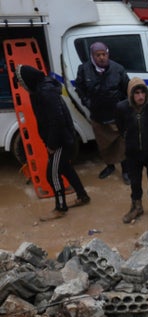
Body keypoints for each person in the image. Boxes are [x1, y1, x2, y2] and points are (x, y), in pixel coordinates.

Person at [15, 65, 91, 222]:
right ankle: (83, 196)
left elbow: (57, 120)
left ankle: (60, 208)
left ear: (28, 81)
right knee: (66, 169)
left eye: (22, 83)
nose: (22, 87)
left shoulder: (45, 92)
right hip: (61, 138)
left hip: (60, 141)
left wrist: (52, 144)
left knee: (52, 174)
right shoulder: (41, 89)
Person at [74, 42, 130, 182]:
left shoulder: (118, 69)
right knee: (104, 145)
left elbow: (127, 90)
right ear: (92, 56)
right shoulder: (84, 69)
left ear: (108, 53)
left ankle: (125, 171)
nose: (101, 58)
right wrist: (87, 102)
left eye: (104, 54)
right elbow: (80, 88)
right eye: (98, 55)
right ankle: (110, 166)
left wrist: (122, 108)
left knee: (121, 144)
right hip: (98, 115)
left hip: (116, 116)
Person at [115, 77, 148, 224]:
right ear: (131, 94)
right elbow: (120, 126)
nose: (140, 96)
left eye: (143, 92)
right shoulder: (121, 108)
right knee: (135, 181)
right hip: (132, 152)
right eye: (136, 93)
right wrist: (128, 137)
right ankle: (136, 207)